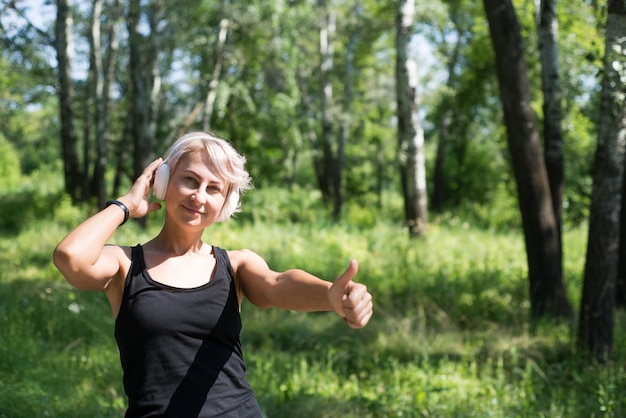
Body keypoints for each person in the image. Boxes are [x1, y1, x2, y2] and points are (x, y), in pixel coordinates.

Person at [53, 131, 374, 417]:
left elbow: (278, 284)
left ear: (225, 203)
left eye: (214, 188)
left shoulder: (235, 266)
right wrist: (126, 205)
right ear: (163, 181)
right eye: (190, 180)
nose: (199, 196)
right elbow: (70, 256)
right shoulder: (124, 264)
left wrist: (330, 295)